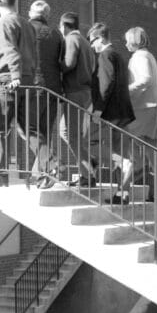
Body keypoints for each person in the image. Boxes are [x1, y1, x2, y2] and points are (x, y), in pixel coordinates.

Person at [0, 0, 46, 187]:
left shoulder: (4, 22)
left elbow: (10, 50)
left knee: (0, 128)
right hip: (27, 79)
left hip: (9, 80)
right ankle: (50, 163)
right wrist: (29, 76)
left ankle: (0, 175)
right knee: (27, 128)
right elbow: (34, 54)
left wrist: (15, 75)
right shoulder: (26, 23)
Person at [123, 27, 157, 196]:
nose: (125, 44)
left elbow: (145, 79)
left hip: (147, 107)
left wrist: (126, 91)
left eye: (127, 41)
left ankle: (127, 185)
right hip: (153, 105)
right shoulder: (147, 55)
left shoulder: (140, 56)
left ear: (134, 41)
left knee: (133, 146)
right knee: (152, 151)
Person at [88, 22, 136, 203]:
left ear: (100, 38)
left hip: (112, 112)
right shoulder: (119, 55)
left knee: (89, 142)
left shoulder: (105, 55)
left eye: (93, 41)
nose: (92, 46)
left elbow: (105, 84)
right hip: (124, 110)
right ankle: (122, 194)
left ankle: (121, 164)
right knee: (119, 149)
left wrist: (98, 109)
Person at [28, 0, 65, 181]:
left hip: (32, 88)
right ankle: (42, 175)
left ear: (31, 13)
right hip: (53, 90)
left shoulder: (25, 29)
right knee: (44, 133)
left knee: (27, 128)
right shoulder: (57, 35)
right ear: (47, 15)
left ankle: (50, 163)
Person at [58, 12, 96, 185]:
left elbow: (69, 63)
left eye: (61, 27)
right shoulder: (86, 43)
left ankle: (87, 174)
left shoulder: (71, 39)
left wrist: (56, 66)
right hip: (85, 92)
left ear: (65, 26)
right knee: (70, 132)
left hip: (74, 92)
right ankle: (88, 163)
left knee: (70, 134)